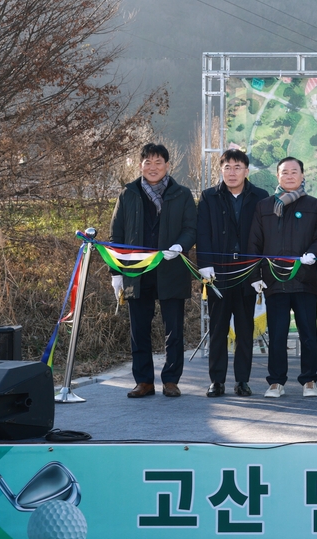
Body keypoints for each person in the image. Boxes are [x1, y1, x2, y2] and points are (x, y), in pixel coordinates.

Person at [111, 143, 197, 398]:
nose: (153, 167)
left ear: (167, 165)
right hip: (137, 272)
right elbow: (116, 235)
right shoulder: (128, 194)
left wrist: (180, 246)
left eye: (158, 162)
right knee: (139, 329)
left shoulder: (181, 194)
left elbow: (191, 228)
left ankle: (171, 380)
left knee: (174, 330)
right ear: (140, 165)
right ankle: (144, 381)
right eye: (147, 162)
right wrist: (116, 272)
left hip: (172, 269)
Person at [248, 157, 317, 398]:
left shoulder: (315, 205)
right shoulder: (264, 206)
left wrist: (313, 253)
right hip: (274, 281)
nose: (290, 176)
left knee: (308, 334)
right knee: (277, 334)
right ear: (278, 176)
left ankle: (309, 380)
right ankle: (276, 382)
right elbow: (254, 243)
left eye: (294, 172)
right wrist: (255, 275)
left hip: (305, 280)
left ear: (302, 176)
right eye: (285, 172)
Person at [195, 149, 268, 397]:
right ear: (221, 170)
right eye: (227, 167)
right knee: (218, 328)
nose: (232, 172)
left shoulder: (260, 197)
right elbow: (202, 232)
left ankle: (242, 380)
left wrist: (260, 272)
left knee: (245, 330)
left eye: (237, 167)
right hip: (218, 274)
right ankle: (217, 381)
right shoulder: (209, 197)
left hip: (248, 273)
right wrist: (205, 264)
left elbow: (264, 236)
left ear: (246, 171)